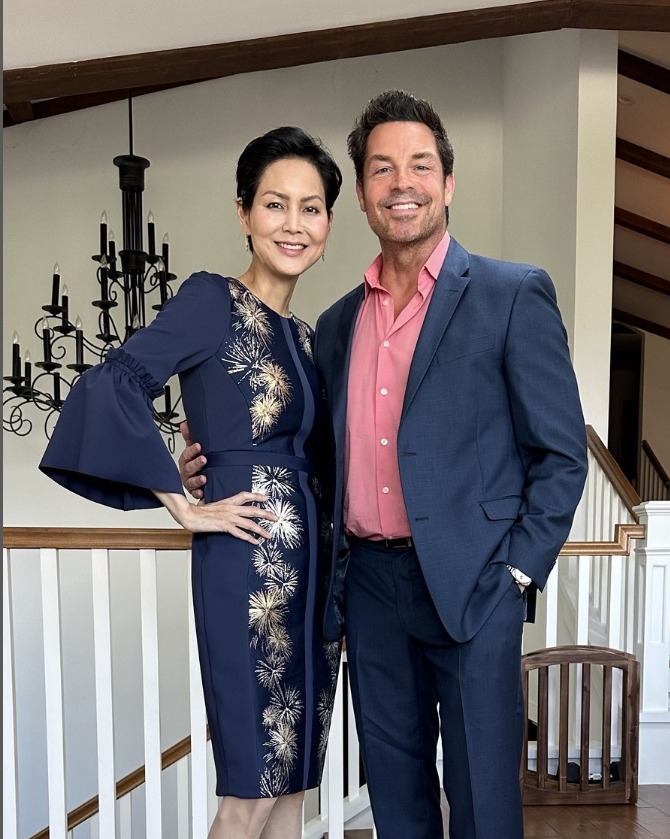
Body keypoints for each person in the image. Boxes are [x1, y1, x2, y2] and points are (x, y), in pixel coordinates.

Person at [179, 91, 588, 839]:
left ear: (447, 183)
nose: (403, 182)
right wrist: (209, 461)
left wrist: (518, 574)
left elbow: (561, 453)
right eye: (382, 168)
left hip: (476, 584)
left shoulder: (510, 293)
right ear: (363, 197)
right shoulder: (334, 325)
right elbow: (305, 452)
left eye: (421, 165)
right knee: (397, 802)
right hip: (367, 589)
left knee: (484, 803)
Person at [40, 126, 344, 839]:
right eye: (275, 205)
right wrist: (180, 504)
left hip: (316, 586)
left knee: (294, 788)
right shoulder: (212, 299)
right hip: (245, 563)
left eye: (311, 207)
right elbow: (114, 381)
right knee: (248, 794)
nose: (293, 224)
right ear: (244, 212)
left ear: (329, 221)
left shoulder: (306, 338)